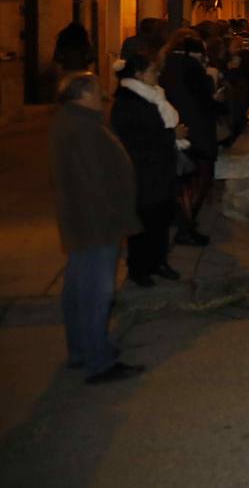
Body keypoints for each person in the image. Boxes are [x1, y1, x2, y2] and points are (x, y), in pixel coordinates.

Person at [50, 72, 145, 384]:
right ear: (82, 95)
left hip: (84, 221)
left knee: (80, 287)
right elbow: (95, 181)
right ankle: (98, 361)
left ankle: (82, 349)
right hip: (96, 223)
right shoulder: (83, 128)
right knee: (96, 292)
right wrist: (116, 217)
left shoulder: (72, 121)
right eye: (96, 91)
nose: (102, 96)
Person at [109, 50, 187, 288]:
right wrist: (171, 136)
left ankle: (158, 261)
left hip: (159, 168)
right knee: (144, 220)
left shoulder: (151, 95)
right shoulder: (128, 102)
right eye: (154, 70)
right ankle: (139, 268)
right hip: (142, 171)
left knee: (161, 218)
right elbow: (135, 138)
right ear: (139, 74)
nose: (158, 74)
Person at [158, 31, 220, 247]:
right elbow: (204, 100)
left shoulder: (164, 65)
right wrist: (220, 104)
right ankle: (187, 225)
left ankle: (184, 222)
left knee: (182, 180)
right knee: (200, 177)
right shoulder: (192, 67)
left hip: (175, 126)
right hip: (197, 129)